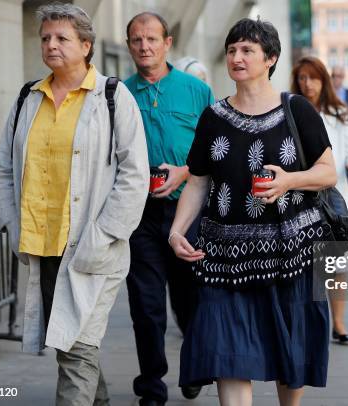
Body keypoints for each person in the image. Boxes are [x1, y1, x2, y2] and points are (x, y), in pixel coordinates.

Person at [168, 18, 336, 406]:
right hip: (224, 256)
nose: (237, 57)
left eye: (247, 50)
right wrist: (178, 230)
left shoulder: (298, 110)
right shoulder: (213, 117)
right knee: (227, 353)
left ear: (270, 58)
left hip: (289, 253)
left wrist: (288, 181)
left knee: (288, 353)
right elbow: (198, 180)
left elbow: (328, 172)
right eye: (231, 50)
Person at [0, 3, 149, 405]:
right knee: (71, 342)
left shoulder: (113, 96)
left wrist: (105, 233)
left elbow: (135, 174)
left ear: (86, 45)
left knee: (77, 347)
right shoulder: (29, 97)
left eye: (61, 38)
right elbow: (3, 169)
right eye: (45, 37)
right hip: (43, 244)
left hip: (93, 245)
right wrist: (11, 223)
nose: (51, 45)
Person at [124, 12, 214, 406]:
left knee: (190, 300)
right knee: (146, 307)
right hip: (138, 215)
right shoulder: (119, 94)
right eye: (137, 40)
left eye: (151, 39)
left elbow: (216, 150)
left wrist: (184, 172)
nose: (145, 47)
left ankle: (193, 369)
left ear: (167, 43)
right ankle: (151, 387)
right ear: (129, 45)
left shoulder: (196, 91)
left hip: (189, 213)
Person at [291, 56, 348, 344]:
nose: (308, 84)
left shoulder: (340, 113)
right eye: (302, 78)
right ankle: (311, 324)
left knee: (337, 266)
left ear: (325, 80)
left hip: (334, 202)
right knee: (307, 268)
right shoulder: (289, 112)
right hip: (299, 199)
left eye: (314, 78)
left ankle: (338, 323)